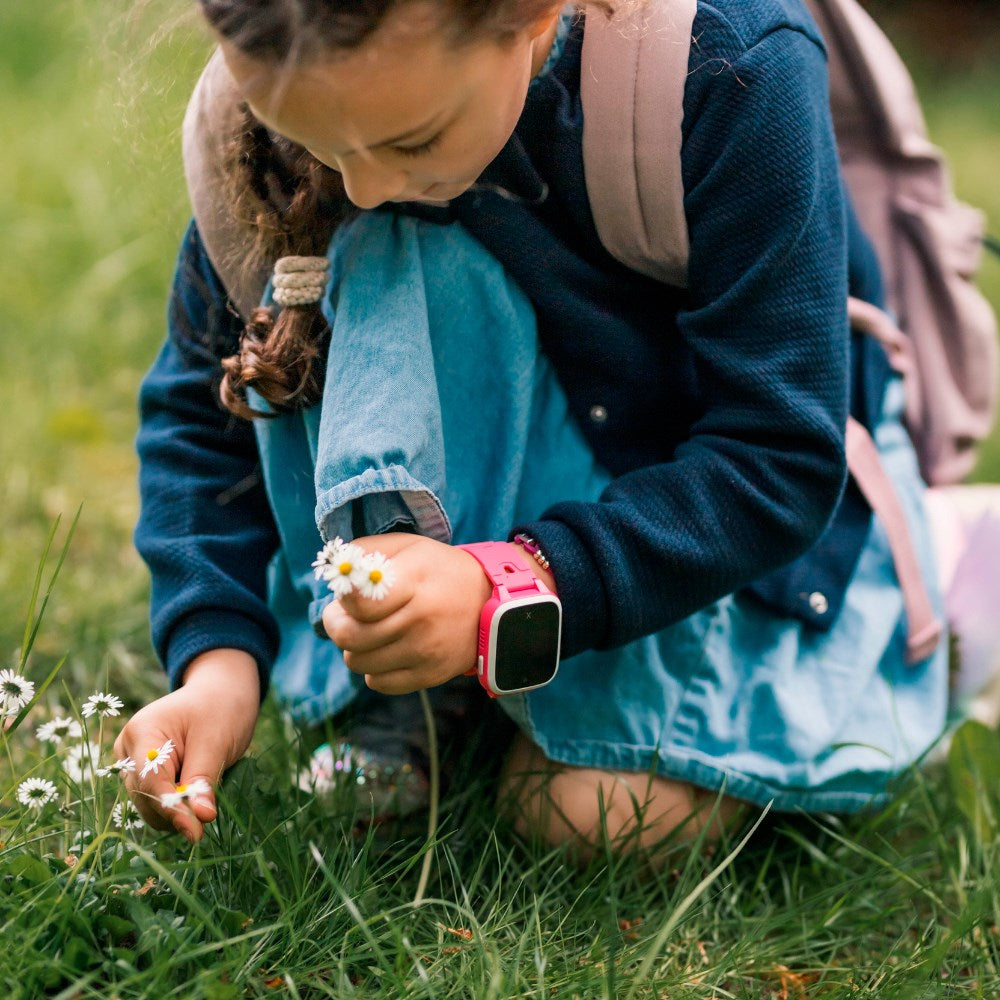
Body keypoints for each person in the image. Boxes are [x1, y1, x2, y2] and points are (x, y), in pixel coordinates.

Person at [114, 0, 949, 859]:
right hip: (532, 470)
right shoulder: (281, 78)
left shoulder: (731, 66)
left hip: (711, 518)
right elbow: (203, 411)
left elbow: (777, 457)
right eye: (316, 142)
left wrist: (508, 586)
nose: (362, 185)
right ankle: (426, 673)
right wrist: (216, 665)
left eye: (413, 140)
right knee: (391, 239)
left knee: (577, 813)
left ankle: (940, 565)